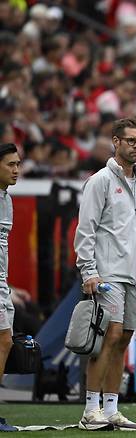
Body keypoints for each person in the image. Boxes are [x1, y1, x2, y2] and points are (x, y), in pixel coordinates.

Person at [74, 118, 136, 431]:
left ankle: (111, 409)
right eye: (131, 141)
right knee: (107, 338)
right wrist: (89, 270)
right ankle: (89, 411)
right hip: (108, 273)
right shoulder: (100, 181)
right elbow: (86, 230)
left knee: (124, 339)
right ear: (116, 142)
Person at [0, 143, 21, 433]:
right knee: (4, 341)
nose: (16, 170)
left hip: (2, 284)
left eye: (18, 164)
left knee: (5, 343)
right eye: (10, 164)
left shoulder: (7, 200)